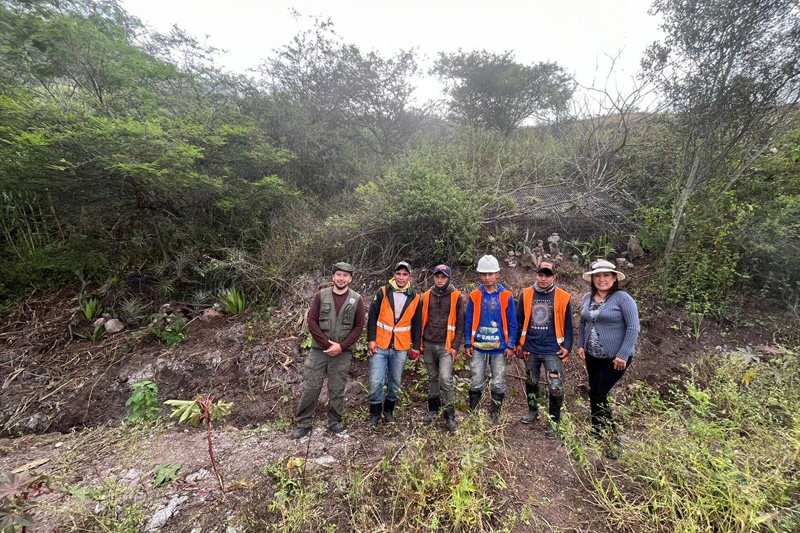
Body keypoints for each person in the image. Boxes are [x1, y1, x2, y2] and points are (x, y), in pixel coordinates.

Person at [292, 262, 365, 439]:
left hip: (343, 353)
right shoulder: (320, 296)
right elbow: (312, 322)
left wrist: (341, 346)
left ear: (350, 279)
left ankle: (334, 422)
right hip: (319, 351)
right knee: (311, 386)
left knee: (337, 388)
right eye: (338, 274)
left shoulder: (357, 299)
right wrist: (327, 345)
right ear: (333, 277)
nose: (341, 278)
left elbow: (358, 327)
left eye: (345, 275)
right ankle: (304, 423)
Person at [577, 259, 640, 458]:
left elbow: (633, 327)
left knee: (598, 393)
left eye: (606, 275)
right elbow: (582, 322)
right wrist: (580, 344)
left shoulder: (623, 298)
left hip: (615, 358)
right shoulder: (588, 297)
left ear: (614, 278)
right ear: (592, 278)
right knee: (596, 393)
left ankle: (613, 439)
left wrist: (623, 354)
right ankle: (596, 432)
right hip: (592, 354)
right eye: (598, 276)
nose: (601, 279)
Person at [515, 260, 573, 438]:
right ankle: (533, 412)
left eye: (547, 275)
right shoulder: (526, 294)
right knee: (531, 382)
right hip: (530, 347)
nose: (543, 278)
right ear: (535, 275)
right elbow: (518, 320)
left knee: (555, 386)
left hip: (552, 349)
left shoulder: (563, 297)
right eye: (540, 274)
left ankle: (554, 421)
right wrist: (517, 343)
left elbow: (569, 325)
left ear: (554, 277)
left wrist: (568, 346)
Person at [365, 261, 422, 428]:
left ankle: (388, 411)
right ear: (393, 274)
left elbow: (417, 324)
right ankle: (374, 413)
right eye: (399, 274)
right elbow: (372, 317)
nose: (401, 277)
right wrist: (371, 339)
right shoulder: (382, 292)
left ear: (409, 277)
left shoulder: (416, 298)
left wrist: (416, 346)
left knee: (395, 381)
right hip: (380, 344)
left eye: (405, 274)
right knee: (376, 381)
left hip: (401, 346)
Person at [464, 255, 517, 425]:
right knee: (476, 380)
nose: (487, 278)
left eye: (490, 274)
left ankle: (495, 414)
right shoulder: (474, 296)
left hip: (500, 347)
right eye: (483, 274)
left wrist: (510, 345)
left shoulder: (506, 296)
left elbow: (512, 323)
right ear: (479, 275)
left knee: (499, 381)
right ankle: (474, 413)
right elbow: (468, 320)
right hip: (478, 346)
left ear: (497, 275)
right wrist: (467, 342)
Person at [420, 264, 464, 432]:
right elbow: (419, 322)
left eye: (443, 277)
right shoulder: (425, 296)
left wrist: (455, 347)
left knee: (445, 379)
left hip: (446, 346)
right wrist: (420, 344)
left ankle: (450, 415)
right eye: (437, 276)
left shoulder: (456, 296)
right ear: (433, 277)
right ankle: (433, 410)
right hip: (429, 344)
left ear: (448, 278)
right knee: (432, 378)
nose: (439, 280)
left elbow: (460, 325)